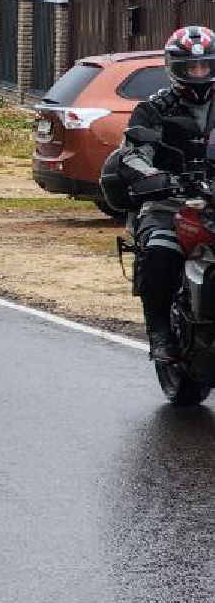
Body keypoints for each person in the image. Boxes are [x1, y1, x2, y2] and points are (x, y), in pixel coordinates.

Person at [111, 25, 215, 364]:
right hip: (170, 202)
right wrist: (156, 177)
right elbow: (133, 152)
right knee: (159, 251)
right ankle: (159, 331)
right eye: (192, 67)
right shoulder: (154, 109)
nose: (199, 74)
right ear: (175, 68)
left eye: (206, 66)